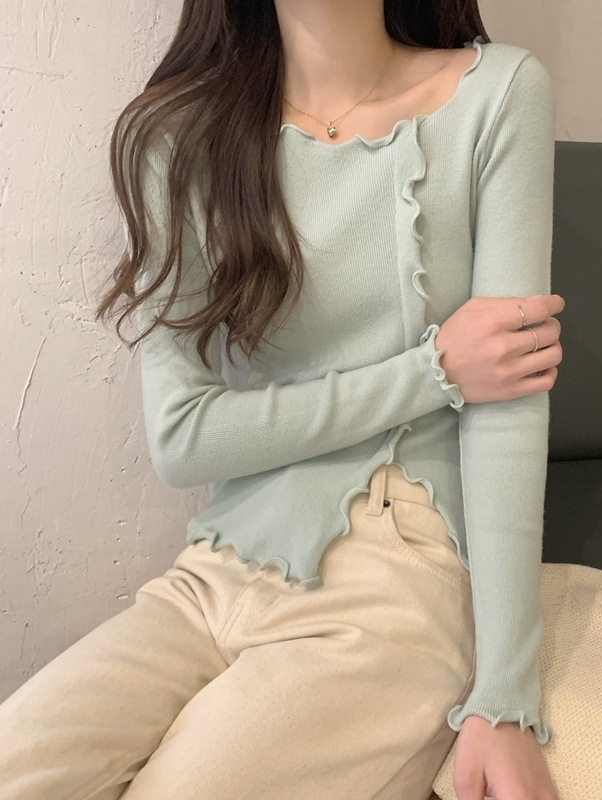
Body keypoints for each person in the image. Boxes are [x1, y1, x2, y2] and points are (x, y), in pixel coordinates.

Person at [0, 1, 565, 798]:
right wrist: (432, 370)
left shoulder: (497, 92)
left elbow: (508, 398)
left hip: (397, 574)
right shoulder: (179, 137)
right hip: (218, 569)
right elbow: (184, 437)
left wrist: (504, 699)